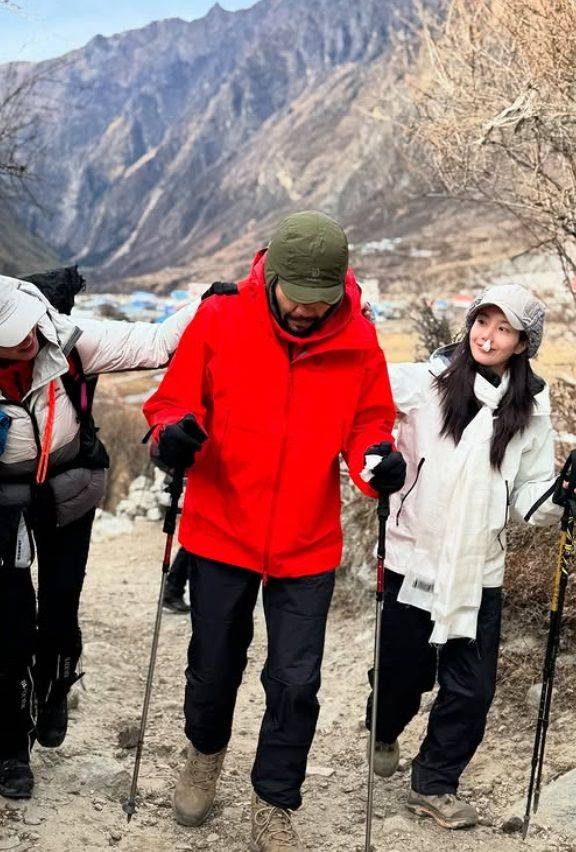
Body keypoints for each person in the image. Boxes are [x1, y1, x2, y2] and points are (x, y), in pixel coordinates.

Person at [143, 211, 406, 851]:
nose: (306, 313)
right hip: (219, 528)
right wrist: (171, 436)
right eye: (295, 298)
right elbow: (170, 403)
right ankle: (205, 757)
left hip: (305, 541)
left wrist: (379, 461)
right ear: (272, 277)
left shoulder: (359, 341)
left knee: (296, 681)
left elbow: (369, 427)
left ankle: (274, 801)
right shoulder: (221, 318)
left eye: (321, 303)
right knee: (212, 665)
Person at [0, 265, 198, 800]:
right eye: (5, 332)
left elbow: (157, 341)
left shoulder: (68, 342)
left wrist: (221, 301)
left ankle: (56, 685)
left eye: (22, 323)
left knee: (60, 610)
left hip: (70, 490)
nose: (24, 337)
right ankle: (9, 747)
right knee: (16, 627)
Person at [366, 284, 570, 830]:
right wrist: (373, 462)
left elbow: (531, 491)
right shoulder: (422, 382)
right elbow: (363, 413)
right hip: (416, 559)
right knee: (402, 677)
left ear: (523, 343)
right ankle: (383, 725)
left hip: (480, 566)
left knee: (472, 689)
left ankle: (434, 782)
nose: (489, 335)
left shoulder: (531, 407)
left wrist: (559, 501)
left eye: (504, 329)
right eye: (484, 321)